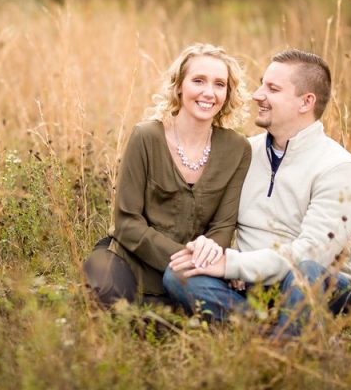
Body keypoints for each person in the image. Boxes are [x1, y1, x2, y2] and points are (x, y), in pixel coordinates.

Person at [164, 49, 351, 337]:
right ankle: (274, 333)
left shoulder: (338, 168)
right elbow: (218, 222)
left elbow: (311, 253)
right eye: (262, 84)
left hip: (323, 288)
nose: (257, 95)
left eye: (272, 88)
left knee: (305, 273)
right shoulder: (245, 151)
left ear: (305, 102)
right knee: (180, 273)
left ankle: (285, 342)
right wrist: (218, 256)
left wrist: (234, 264)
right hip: (253, 287)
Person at [83, 43, 252, 307]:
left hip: (192, 270)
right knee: (112, 297)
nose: (209, 92)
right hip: (133, 260)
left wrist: (204, 258)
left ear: (228, 93)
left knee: (186, 312)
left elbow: (223, 226)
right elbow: (127, 222)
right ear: (179, 86)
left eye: (220, 84)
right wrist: (185, 256)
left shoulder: (238, 149)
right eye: (198, 81)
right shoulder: (146, 137)